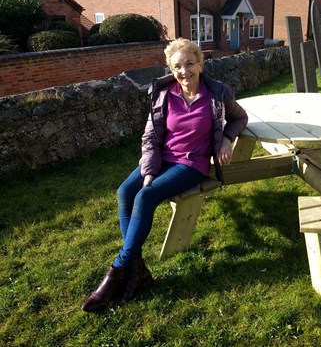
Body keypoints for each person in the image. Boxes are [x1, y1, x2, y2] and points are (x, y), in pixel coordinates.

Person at [82, 38, 248, 312]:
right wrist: (149, 169)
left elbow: (240, 118)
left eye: (189, 64)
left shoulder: (218, 93)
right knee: (125, 191)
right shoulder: (163, 93)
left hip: (191, 164)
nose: (184, 72)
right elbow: (150, 136)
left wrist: (227, 139)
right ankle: (138, 271)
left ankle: (118, 270)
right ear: (171, 69)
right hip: (162, 158)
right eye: (177, 67)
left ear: (201, 63)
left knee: (145, 197)